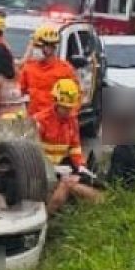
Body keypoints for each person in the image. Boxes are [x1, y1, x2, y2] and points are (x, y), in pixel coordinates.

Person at [34, 77, 103, 212]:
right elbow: (32, 151)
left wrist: (81, 167)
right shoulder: (40, 121)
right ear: (56, 102)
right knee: (65, 187)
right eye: (64, 108)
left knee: (81, 185)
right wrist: (51, 169)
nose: (67, 111)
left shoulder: (72, 121)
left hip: (62, 168)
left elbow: (75, 148)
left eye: (70, 108)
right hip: (42, 170)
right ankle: (47, 217)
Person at [16, 24, 75, 119]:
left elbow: (75, 98)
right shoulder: (29, 68)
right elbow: (18, 92)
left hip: (55, 123)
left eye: (37, 46)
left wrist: (67, 117)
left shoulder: (65, 70)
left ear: (50, 48)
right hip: (34, 121)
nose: (34, 50)